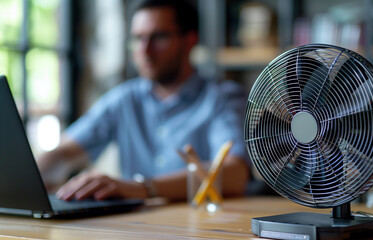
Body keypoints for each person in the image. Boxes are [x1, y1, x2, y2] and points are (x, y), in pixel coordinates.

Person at [37, 0, 249, 202]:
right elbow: (63, 152)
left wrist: (142, 188)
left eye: (158, 38)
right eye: (138, 39)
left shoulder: (222, 98)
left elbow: (235, 174)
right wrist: (27, 177)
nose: (144, 51)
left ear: (190, 40)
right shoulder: (124, 98)